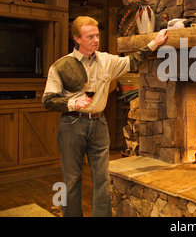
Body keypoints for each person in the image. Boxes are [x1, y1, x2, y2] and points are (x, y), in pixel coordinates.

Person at [42, 16, 167, 217]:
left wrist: (155, 42)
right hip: (71, 124)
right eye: (90, 36)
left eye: (97, 35)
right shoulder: (61, 66)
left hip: (99, 124)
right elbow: (48, 100)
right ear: (77, 39)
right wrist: (74, 103)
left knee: (101, 178)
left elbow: (132, 60)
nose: (96, 40)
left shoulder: (107, 60)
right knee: (71, 179)